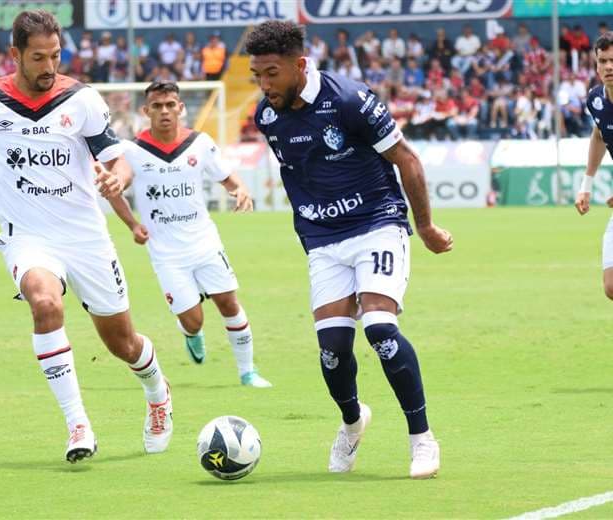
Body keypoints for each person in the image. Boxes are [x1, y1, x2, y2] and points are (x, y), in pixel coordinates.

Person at [0, 10, 173, 461]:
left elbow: (118, 157)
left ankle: (157, 392)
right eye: (38, 57)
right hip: (27, 236)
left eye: (55, 55)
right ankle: (77, 425)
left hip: (86, 238)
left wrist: (118, 179)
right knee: (45, 302)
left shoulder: (82, 100)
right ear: (15, 55)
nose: (49, 66)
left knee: (122, 344)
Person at [246, 21, 452, 479]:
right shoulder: (267, 116)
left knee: (380, 329)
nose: (264, 85)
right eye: (257, 75)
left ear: (300, 65)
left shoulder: (349, 100)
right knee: (333, 349)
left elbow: (408, 161)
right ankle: (353, 421)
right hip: (323, 241)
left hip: (377, 225)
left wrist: (426, 226)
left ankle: (422, 439)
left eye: (272, 73)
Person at [106, 81, 272, 388]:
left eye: (171, 104)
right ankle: (192, 334)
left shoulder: (200, 143)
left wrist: (241, 190)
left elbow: (227, 177)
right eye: (157, 106)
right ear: (146, 112)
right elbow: (117, 185)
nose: (165, 111)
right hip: (167, 253)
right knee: (193, 320)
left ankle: (248, 372)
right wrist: (132, 224)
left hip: (205, 242)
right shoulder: (132, 151)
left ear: (181, 108)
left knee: (228, 303)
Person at [575, 32, 613, 299]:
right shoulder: (596, 99)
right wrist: (586, 185)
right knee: (611, 285)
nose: (609, 66)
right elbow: (600, 134)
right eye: (603, 61)